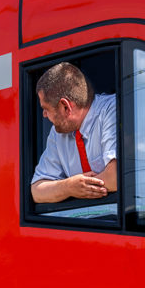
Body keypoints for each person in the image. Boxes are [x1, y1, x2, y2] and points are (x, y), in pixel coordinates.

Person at [30, 62, 117, 203]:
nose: (44, 115)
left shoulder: (111, 110)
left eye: (46, 108)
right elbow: (37, 191)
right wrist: (69, 187)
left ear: (66, 107)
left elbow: (115, 178)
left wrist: (66, 189)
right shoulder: (57, 131)